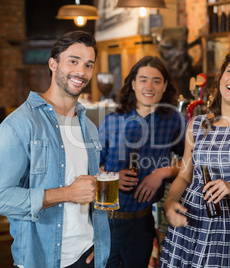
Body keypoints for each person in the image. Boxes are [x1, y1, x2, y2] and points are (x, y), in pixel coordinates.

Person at [0, 31, 110, 267]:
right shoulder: (19, 124)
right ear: (53, 64)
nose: (81, 71)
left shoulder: (89, 126)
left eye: (88, 65)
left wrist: (96, 244)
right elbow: (2, 197)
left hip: (87, 255)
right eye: (73, 61)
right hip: (42, 259)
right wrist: (67, 193)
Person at [159, 44, 230, 268]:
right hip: (190, 224)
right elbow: (184, 177)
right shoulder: (197, 124)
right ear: (220, 79)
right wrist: (170, 204)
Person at [98, 56, 187, 268]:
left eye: (156, 81)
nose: (149, 86)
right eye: (143, 79)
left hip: (142, 222)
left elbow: (190, 162)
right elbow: (90, 166)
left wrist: (162, 173)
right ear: (133, 84)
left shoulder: (173, 120)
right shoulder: (112, 120)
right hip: (104, 222)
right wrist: (111, 178)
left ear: (165, 86)